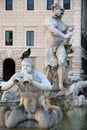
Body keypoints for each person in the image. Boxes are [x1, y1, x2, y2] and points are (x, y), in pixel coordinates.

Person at [44, 3, 74, 90]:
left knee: (61, 62)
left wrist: (68, 37)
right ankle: (49, 85)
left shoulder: (64, 25)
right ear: (54, 10)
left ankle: (61, 85)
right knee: (50, 67)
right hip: (50, 46)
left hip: (60, 45)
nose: (62, 12)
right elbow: (52, 30)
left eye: (63, 11)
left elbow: (66, 39)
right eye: (60, 10)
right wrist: (64, 36)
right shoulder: (48, 20)